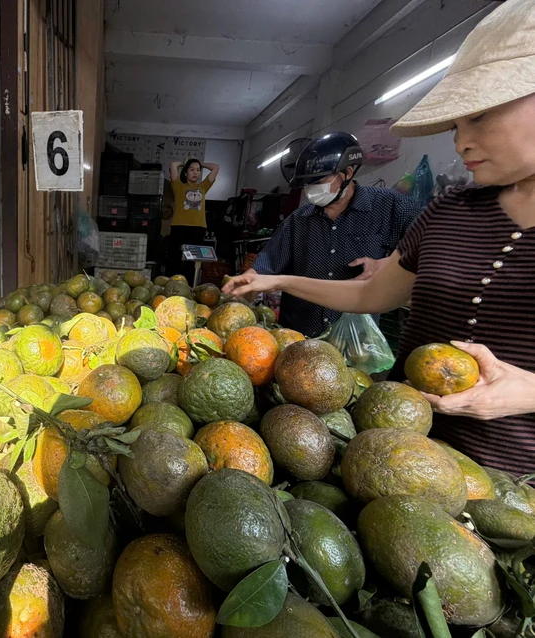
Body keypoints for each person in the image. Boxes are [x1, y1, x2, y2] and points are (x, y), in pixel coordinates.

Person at [224, 0, 535, 475]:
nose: (460, 142)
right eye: (456, 124)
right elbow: (371, 293)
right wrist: (277, 281)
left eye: (480, 117)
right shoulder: (448, 212)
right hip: (393, 454)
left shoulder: (395, 209)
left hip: (514, 484)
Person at [250, 133, 421, 337]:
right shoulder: (298, 220)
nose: (311, 190)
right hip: (297, 338)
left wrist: (389, 265)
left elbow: (431, 254)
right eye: (307, 184)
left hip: (357, 342)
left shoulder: (393, 208)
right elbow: (265, 266)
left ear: (347, 173)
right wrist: (248, 281)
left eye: (319, 181)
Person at [167, 158, 219, 281]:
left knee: (193, 262)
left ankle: (189, 286)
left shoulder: (203, 186)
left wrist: (201, 164)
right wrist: (184, 163)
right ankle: (172, 284)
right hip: (179, 227)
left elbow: (216, 167)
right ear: (185, 173)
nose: (195, 172)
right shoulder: (179, 186)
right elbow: (173, 164)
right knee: (175, 258)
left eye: (198, 170)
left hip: (198, 228)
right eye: (191, 170)